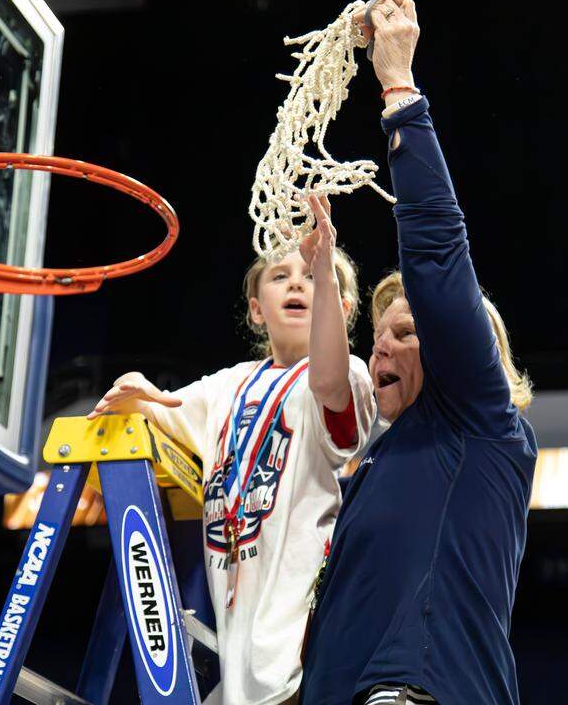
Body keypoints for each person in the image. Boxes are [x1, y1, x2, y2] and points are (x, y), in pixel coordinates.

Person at [299, 0, 538, 704]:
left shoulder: (478, 416)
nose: (378, 356)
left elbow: (436, 259)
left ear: (470, 351)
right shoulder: (381, 462)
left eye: (404, 336)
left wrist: (400, 89)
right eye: (377, 342)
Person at [88, 195, 376, 705]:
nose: (297, 282)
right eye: (280, 275)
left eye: (312, 275)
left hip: (304, 650)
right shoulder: (226, 387)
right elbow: (159, 407)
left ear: (342, 308)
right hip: (238, 659)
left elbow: (329, 380)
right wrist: (132, 389)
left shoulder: (344, 375)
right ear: (255, 309)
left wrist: (327, 268)